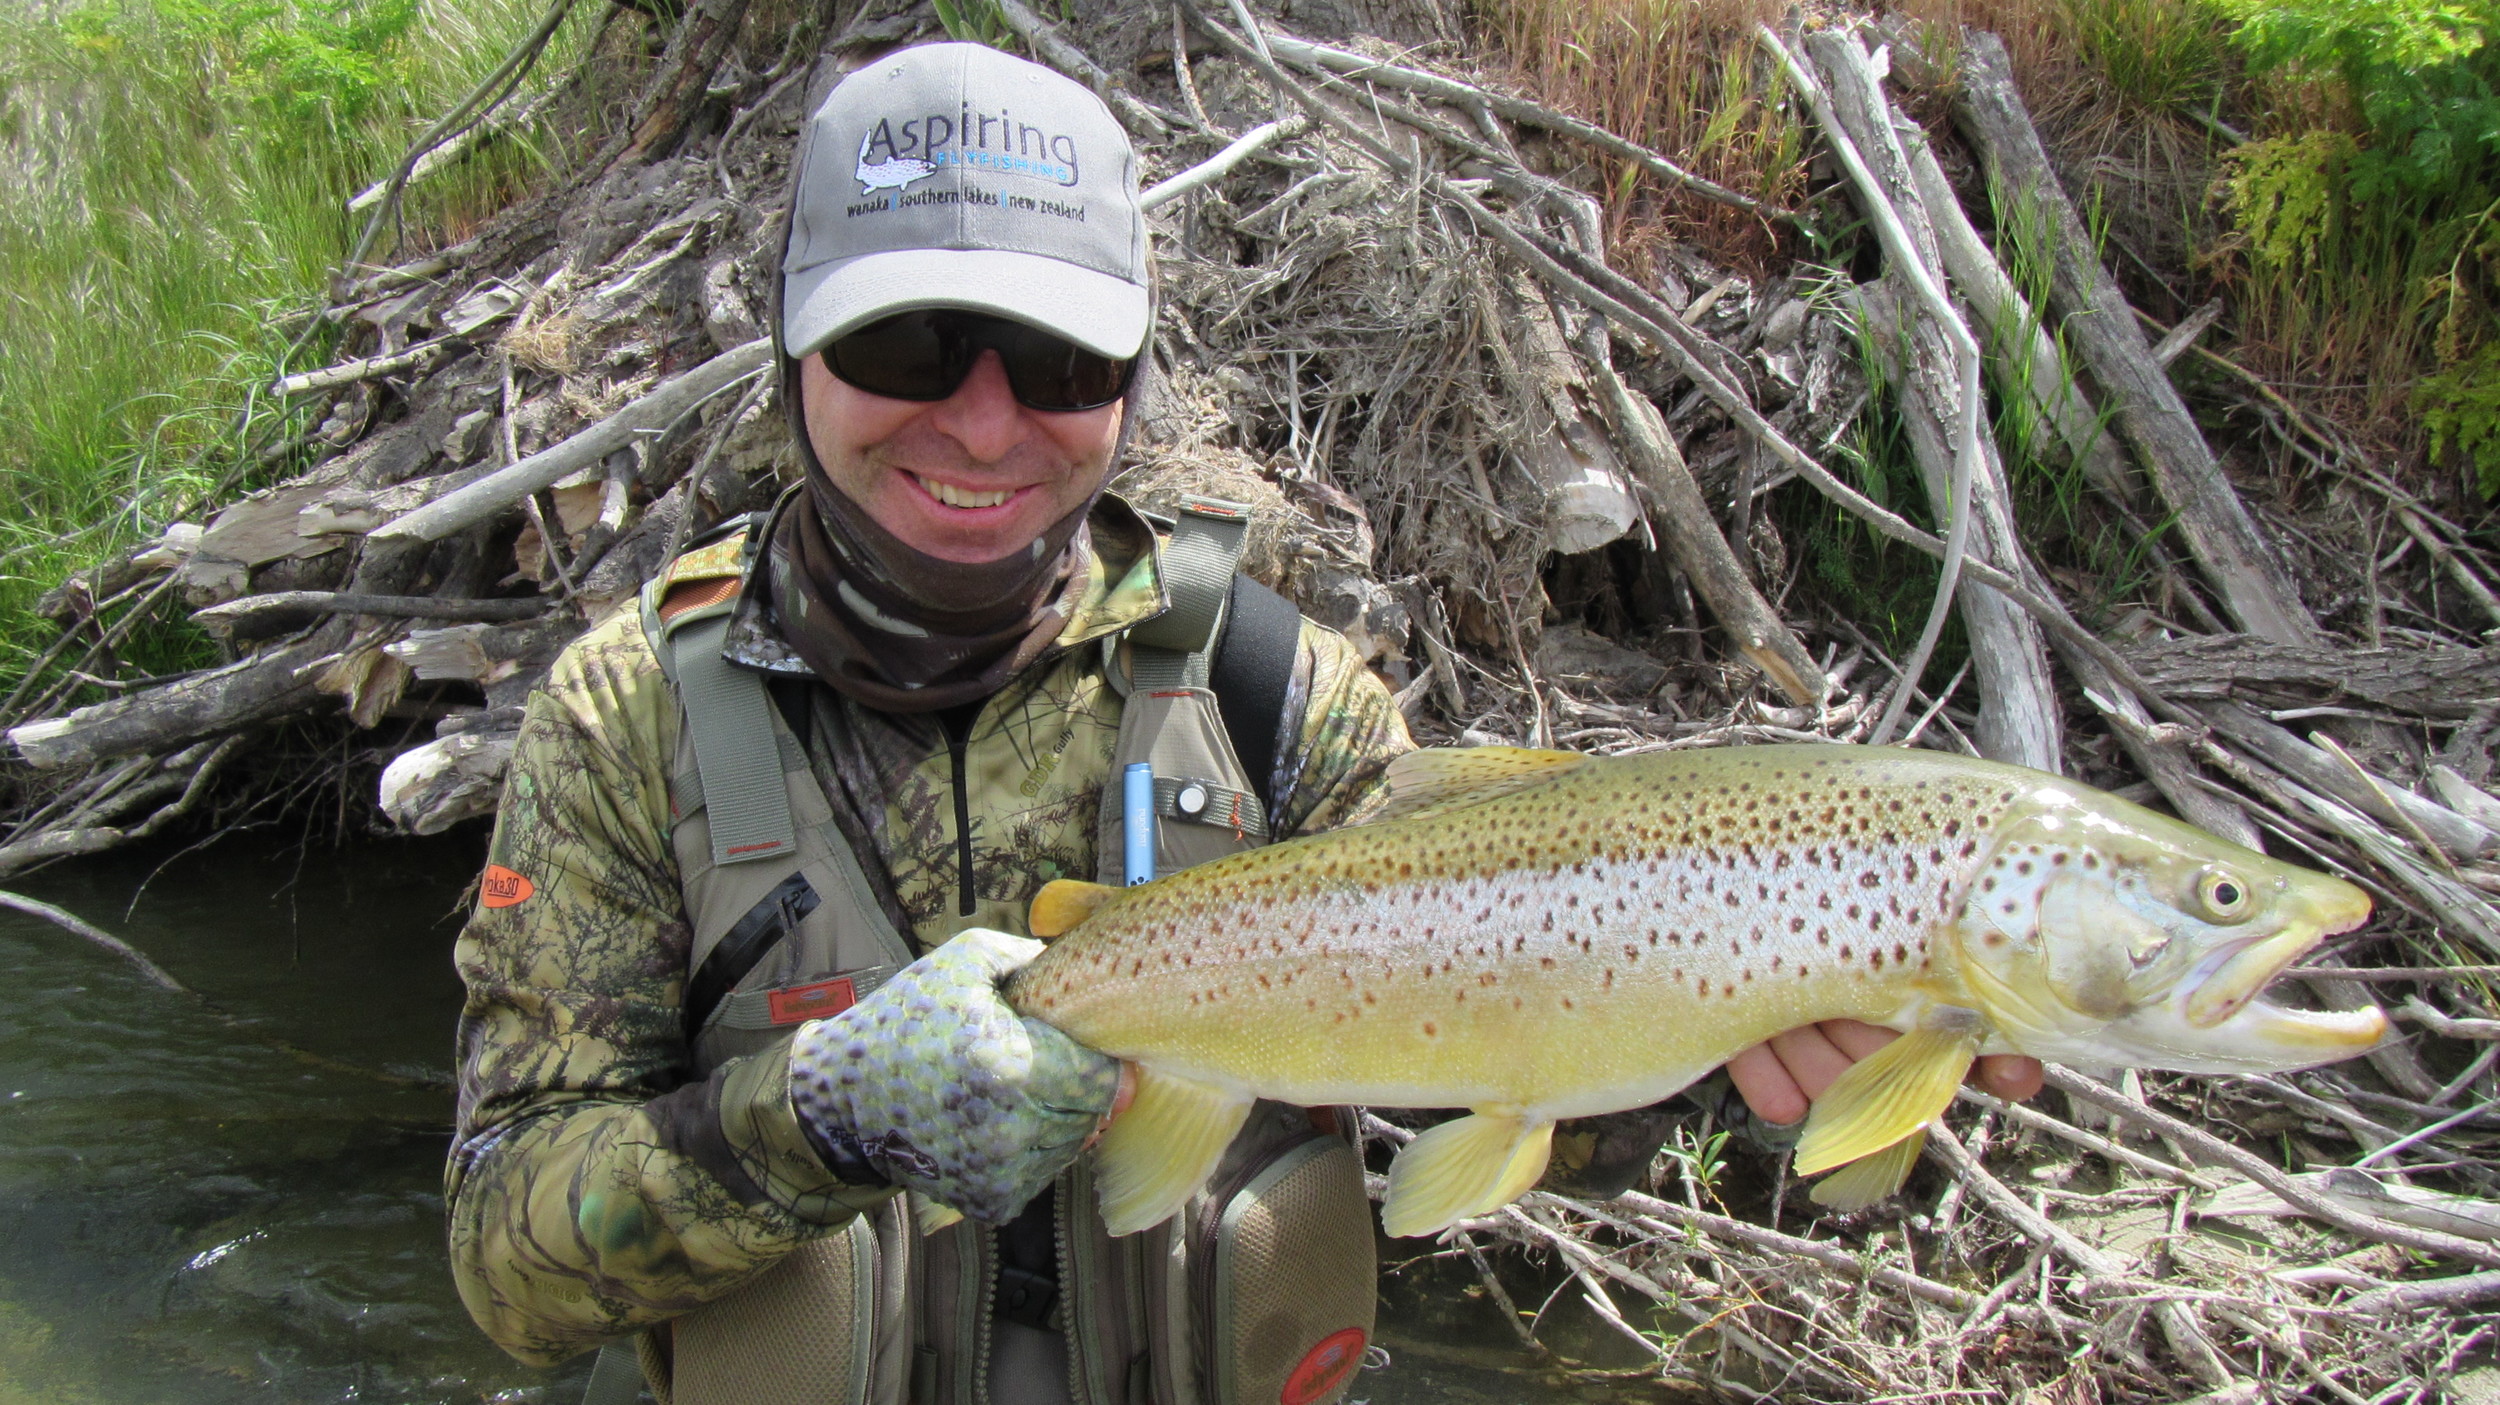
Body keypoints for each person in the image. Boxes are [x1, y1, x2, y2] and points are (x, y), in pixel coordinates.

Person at [445, 39, 2040, 1405]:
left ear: (1131, 381)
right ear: (797, 342)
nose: (985, 418)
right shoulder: (627, 721)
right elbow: (502, 1262)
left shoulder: (1276, 704)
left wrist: (1749, 1068)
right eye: (908, 343)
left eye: (1061, 359)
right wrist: (810, 1118)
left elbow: (1517, 1076)